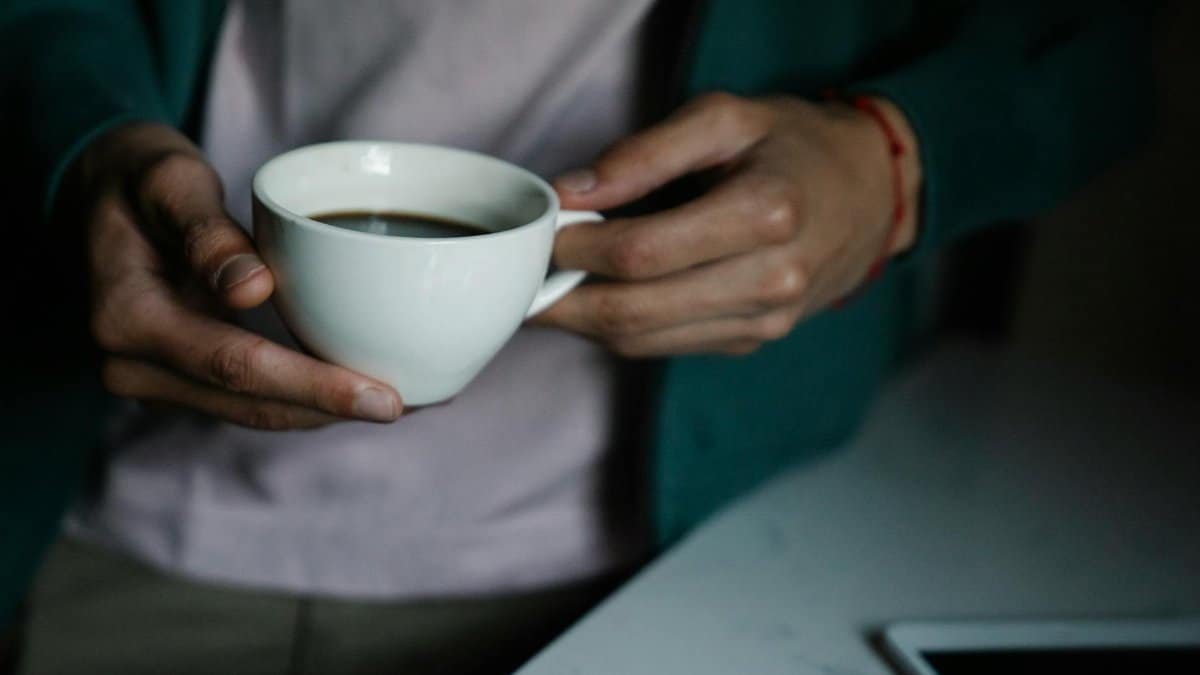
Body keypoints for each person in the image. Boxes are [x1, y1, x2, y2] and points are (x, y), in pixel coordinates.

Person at [0, 1, 1151, 673]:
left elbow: (1101, 42)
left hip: (670, 572)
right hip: (120, 526)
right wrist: (80, 138)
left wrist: (896, 161)